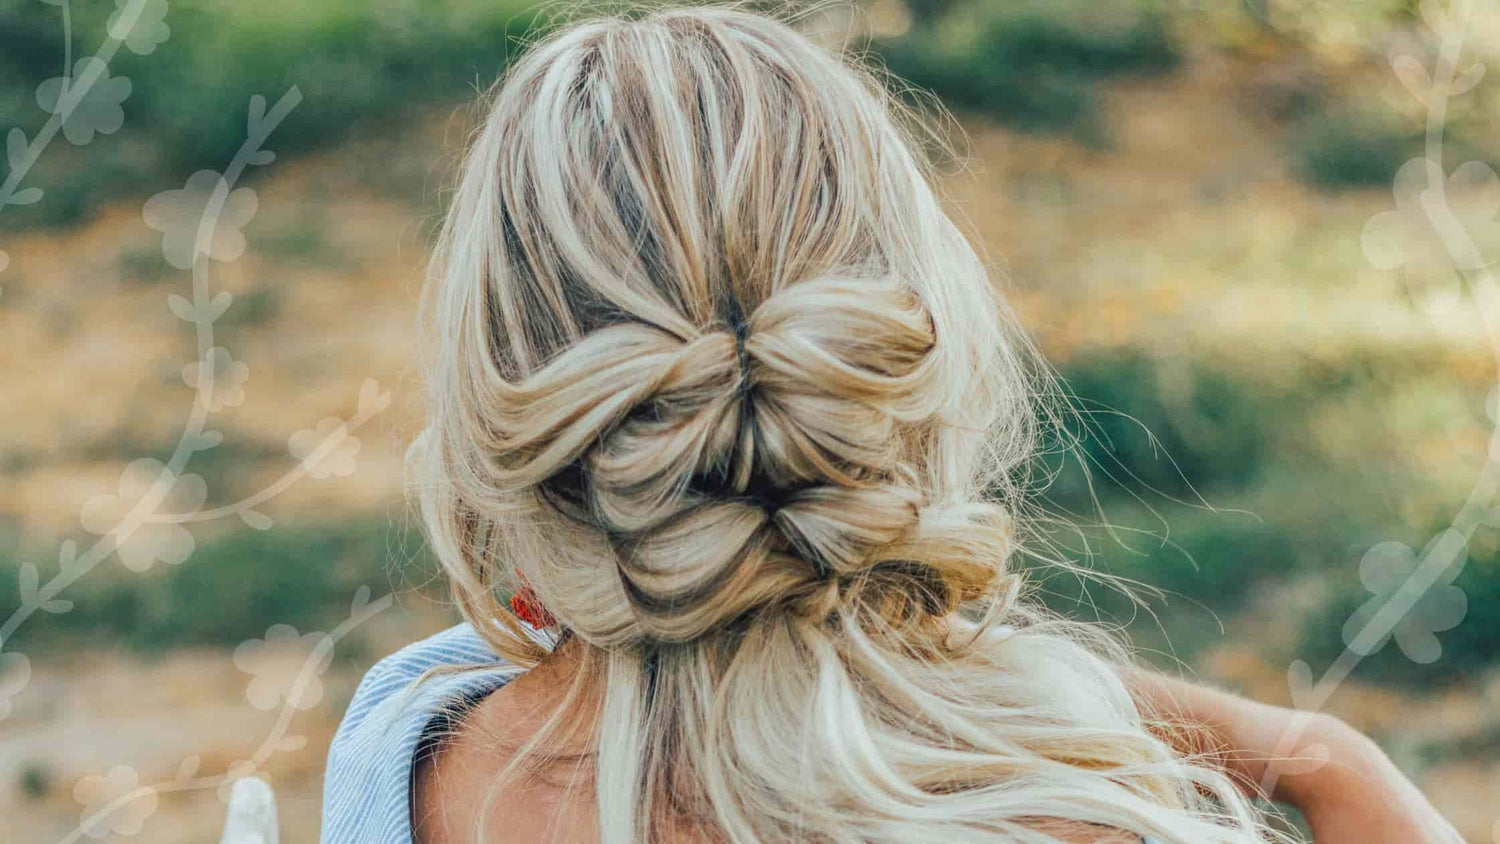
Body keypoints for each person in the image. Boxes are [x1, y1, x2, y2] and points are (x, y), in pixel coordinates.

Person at [319, 7, 1462, 843]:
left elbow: (711, 639)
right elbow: (858, 665)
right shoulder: (1078, 819)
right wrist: (1324, 761)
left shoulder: (404, 758)